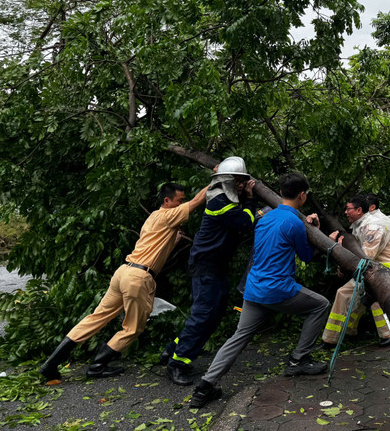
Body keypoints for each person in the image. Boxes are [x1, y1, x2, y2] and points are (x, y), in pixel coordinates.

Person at [39, 181, 210, 383]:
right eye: (179, 200)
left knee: (96, 318)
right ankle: (97, 366)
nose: (182, 204)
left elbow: (154, 248)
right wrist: (218, 177)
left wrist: (174, 241)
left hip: (124, 272)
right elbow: (198, 200)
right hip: (138, 278)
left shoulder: (153, 218)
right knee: (133, 328)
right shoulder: (167, 215)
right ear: (167, 200)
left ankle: (51, 363)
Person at [189, 172, 329, 408]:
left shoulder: (264, 217)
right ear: (302, 195)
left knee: (239, 336)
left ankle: (204, 387)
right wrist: (317, 231)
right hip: (278, 289)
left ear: (281, 193)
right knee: (321, 305)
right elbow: (306, 255)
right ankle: (298, 360)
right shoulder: (294, 222)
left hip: (253, 289)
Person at [161, 157, 258, 386]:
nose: (242, 185)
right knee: (203, 315)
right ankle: (177, 364)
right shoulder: (219, 202)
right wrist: (252, 199)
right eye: (238, 181)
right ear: (227, 181)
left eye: (243, 181)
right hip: (206, 266)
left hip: (215, 266)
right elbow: (246, 223)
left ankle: (172, 351)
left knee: (211, 315)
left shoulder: (225, 198)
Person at [322, 194, 390, 347]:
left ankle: (331, 339)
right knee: (350, 294)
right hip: (376, 268)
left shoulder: (373, 226)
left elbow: (366, 256)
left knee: (352, 294)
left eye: (348, 209)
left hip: (386, 268)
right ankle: (345, 333)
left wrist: (339, 251)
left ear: (359, 210)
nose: (345, 212)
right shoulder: (362, 225)